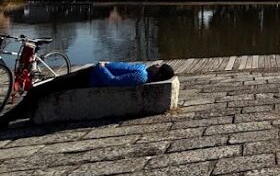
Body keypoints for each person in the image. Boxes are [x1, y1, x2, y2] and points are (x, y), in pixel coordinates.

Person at [2, 61, 175, 124]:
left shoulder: (141, 76)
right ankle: (17, 114)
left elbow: (111, 82)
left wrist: (101, 67)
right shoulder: (142, 70)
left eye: (159, 66)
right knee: (46, 88)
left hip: (89, 78)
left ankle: (9, 118)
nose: (156, 64)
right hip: (90, 73)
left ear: (157, 73)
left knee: (41, 90)